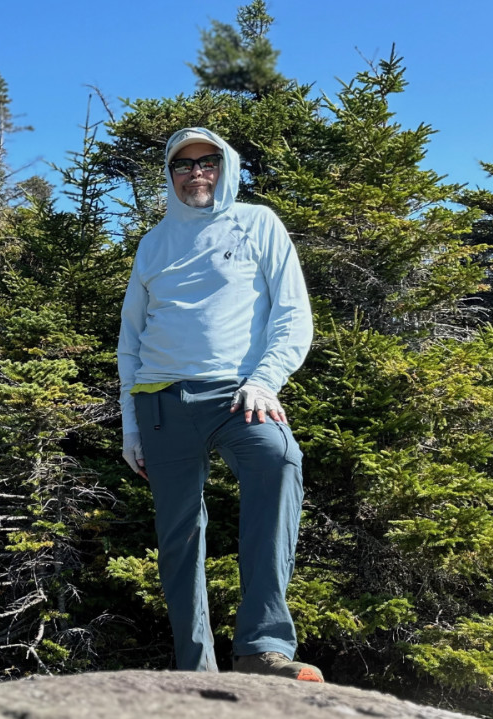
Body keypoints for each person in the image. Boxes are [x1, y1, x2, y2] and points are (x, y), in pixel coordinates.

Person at [117, 127, 322, 682]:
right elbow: (130, 338)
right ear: (169, 175)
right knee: (178, 536)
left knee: (279, 461)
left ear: (226, 166)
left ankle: (261, 647)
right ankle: (196, 673)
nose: (196, 173)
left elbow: (292, 314)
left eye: (208, 161)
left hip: (239, 394)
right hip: (160, 403)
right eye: (183, 165)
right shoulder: (154, 242)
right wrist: (130, 425)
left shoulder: (258, 223)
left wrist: (265, 381)